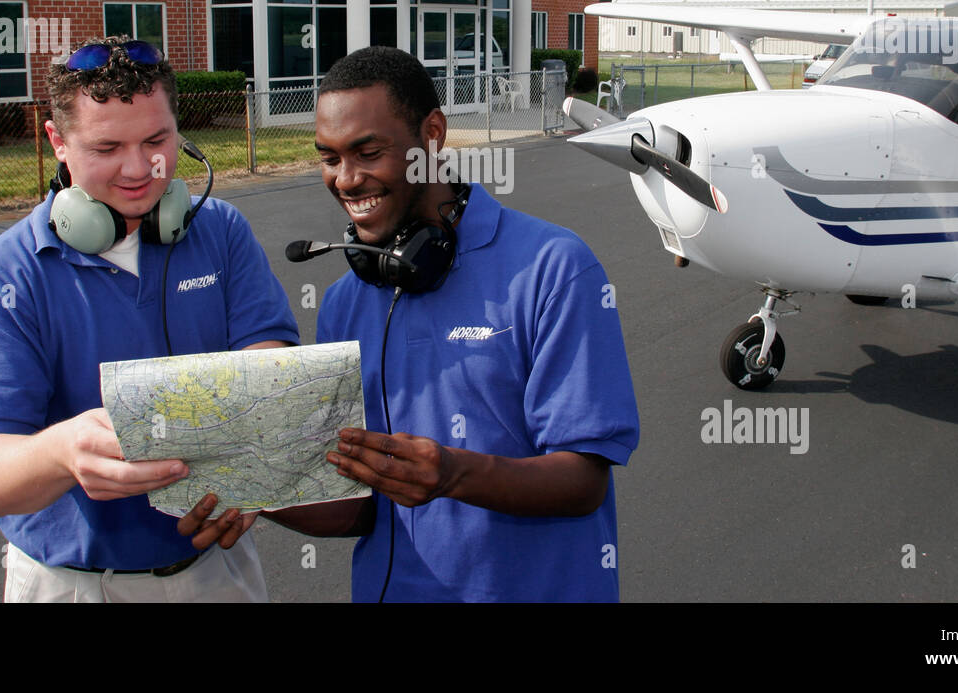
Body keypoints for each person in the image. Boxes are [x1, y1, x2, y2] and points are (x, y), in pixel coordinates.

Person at [185, 45, 639, 601]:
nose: (346, 180)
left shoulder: (553, 267)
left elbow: (583, 480)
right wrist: (255, 485)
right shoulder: (344, 302)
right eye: (329, 158)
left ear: (432, 135)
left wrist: (454, 473)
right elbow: (358, 506)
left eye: (367, 152)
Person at [0, 36, 299, 602]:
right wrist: (61, 451)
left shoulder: (222, 232)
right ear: (57, 141)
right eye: (107, 148)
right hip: (73, 586)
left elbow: (267, 353)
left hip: (215, 571)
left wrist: (249, 459)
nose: (139, 169)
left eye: (157, 140)